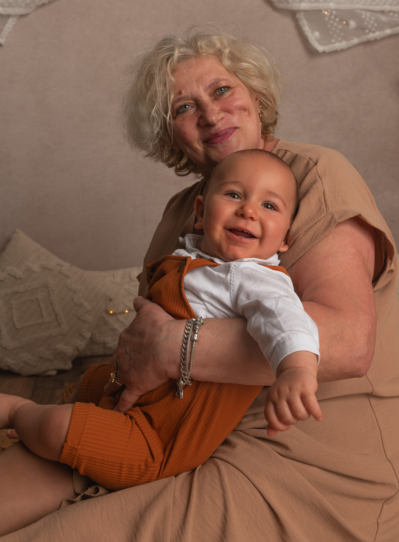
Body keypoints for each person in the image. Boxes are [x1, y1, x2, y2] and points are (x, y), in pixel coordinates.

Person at [0, 31, 399, 542]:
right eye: (184, 106)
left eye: (221, 90)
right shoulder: (181, 213)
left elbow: (350, 342)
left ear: (257, 98)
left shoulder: (316, 174)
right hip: (169, 423)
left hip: (301, 455)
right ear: (169, 133)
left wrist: (168, 345)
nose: (210, 113)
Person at [0, 149, 322, 508]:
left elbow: (286, 319)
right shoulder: (193, 258)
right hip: (127, 394)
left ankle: (20, 412)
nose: (248, 209)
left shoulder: (255, 278)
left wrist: (296, 369)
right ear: (200, 213)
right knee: (91, 381)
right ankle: (59, 422)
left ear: (284, 240)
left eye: (270, 206)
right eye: (234, 195)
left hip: (156, 440)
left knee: (53, 430)